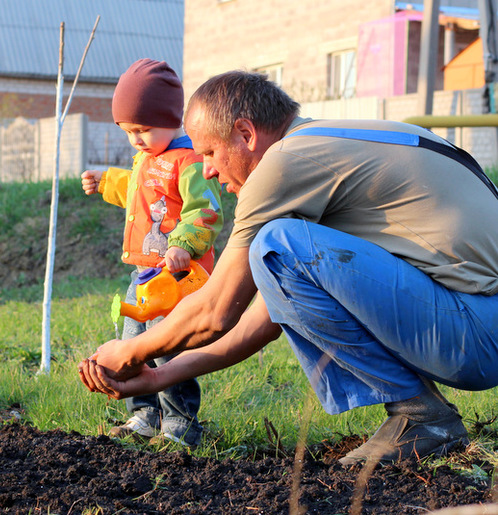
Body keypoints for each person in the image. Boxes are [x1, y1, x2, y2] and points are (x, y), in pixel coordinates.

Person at [78, 70, 498, 466]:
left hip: (476, 333)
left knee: (275, 242)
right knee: (278, 250)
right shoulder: (328, 144)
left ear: (246, 133)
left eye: (209, 152)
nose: (206, 168)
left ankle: (420, 415)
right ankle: (422, 414)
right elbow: (264, 318)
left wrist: (132, 350)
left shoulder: (283, 162)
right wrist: (158, 377)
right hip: (475, 322)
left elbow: (216, 312)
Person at [80, 59, 224, 449]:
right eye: (129, 132)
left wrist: (183, 245)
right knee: (131, 345)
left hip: (176, 280)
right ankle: (143, 415)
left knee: (165, 350)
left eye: (143, 130)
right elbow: (138, 190)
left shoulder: (190, 160)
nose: (137, 139)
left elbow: (206, 211)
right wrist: (107, 181)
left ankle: (180, 424)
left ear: (171, 119)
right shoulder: (147, 158)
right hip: (142, 276)